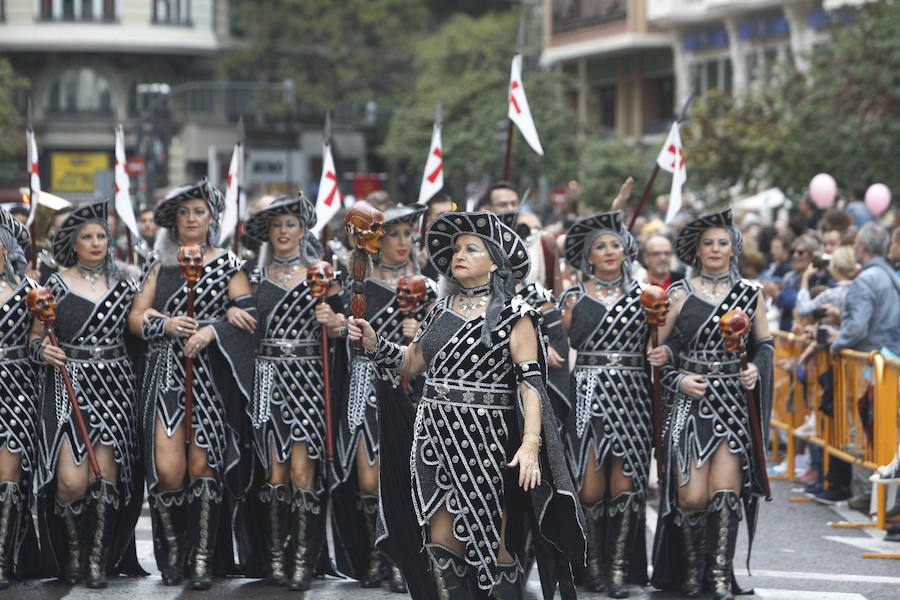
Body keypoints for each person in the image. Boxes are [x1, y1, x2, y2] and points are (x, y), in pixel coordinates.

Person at [349, 211, 584, 600]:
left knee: (495, 543)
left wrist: (529, 444)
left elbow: (530, 385)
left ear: (494, 262)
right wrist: (376, 344)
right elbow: (411, 363)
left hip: (489, 442)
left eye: (471, 249)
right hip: (434, 439)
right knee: (442, 544)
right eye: (456, 249)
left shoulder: (516, 315)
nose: (459, 254)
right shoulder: (441, 311)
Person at [128, 178, 257, 589]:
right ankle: (173, 552)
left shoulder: (229, 263)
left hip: (211, 379)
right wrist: (164, 323)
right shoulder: (157, 265)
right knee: (168, 471)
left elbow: (248, 314)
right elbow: (135, 317)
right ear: (173, 221)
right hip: (165, 374)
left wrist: (214, 329)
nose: (191, 219)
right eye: (183, 213)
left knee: (204, 467)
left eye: (199, 212)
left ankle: (202, 559)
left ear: (211, 218)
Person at [648, 209, 774, 600]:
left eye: (723, 242)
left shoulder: (751, 293)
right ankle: (691, 574)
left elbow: (765, 344)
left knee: (724, 494)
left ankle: (719, 576)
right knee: (691, 497)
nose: (716, 249)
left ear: (733, 248)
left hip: (733, 403)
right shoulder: (679, 293)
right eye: (709, 243)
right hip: (689, 402)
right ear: (697, 250)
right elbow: (659, 351)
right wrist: (679, 377)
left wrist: (755, 368)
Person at [29, 202, 143, 588]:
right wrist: (42, 350)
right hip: (68, 385)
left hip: (115, 385)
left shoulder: (128, 286)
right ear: (72, 244)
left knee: (104, 479)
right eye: (86, 237)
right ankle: (73, 552)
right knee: (70, 483)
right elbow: (33, 339)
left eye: (101, 237)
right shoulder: (53, 286)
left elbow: (142, 326)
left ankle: (96, 562)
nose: (96, 243)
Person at [328, 203, 436, 593]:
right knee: (370, 479)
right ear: (377, 239)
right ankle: (379, 555)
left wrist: (420, 329)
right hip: (365, 384)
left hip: (413, 388)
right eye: (394, 234)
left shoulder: (432, 287)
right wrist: (338, 328)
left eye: (409, 234)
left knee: (413, 474)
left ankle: (407, 558)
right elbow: (343, 334)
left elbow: (441, 344)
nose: (403, 242)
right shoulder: (357, 282)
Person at [240, 194, 342, 591]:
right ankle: (276, 558)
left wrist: (333, 319)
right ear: (268, 233)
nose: (284, 232)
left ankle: (303, 561)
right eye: (277, 225)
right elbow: (240, 324)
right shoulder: (252, 274)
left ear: (304, 230)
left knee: (303, 472)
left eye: (291, 225)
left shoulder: (323, 274)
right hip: (266, 380)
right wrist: (233, 314)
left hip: (309, 379)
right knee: (274, 475)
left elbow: (343, 329)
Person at [558, 210, 652, 598]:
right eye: (600, 246)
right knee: (590, 489)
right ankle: (591, 568)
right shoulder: (573, 298)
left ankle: (616, 570)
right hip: (587, 394)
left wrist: (659, 354)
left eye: (615, 243)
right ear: (588, 257)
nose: (610, 250)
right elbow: (555, 348)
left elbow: (660, 345)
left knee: (626, 487)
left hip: (633, 394)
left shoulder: (647, 297)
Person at [0, 209, 40, 588]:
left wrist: (43, 348)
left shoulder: (30, 292)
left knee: (9, 475)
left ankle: (2, 560)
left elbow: (37, 339)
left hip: (15, 386)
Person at [774, 235, 820, 331]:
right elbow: (782, 302)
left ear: (812, 256)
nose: (795, 256)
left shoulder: (818, 279)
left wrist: (777, 294)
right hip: (785, 329)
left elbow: (799, 304)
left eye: (800, 252)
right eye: (793, 252)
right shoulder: (789, 276)